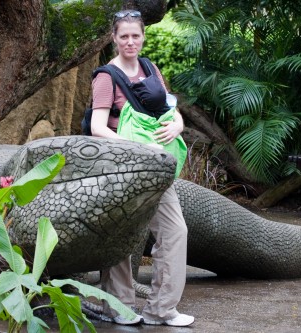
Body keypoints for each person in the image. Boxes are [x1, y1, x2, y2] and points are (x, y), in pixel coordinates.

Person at [90, 9, 195, 327]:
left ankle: (162, 309)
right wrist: (137, 146)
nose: (130, 41)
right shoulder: (106, 76)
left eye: (136, 35)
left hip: (157, 167)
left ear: (143, 37)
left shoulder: (150, 68)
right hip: (121, 167)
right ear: (114, 38)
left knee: (175, 231)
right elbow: (97, 126)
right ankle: (121, 307)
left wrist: (177, 125)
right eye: (124, 36)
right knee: (122, 234)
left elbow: (170, 107)